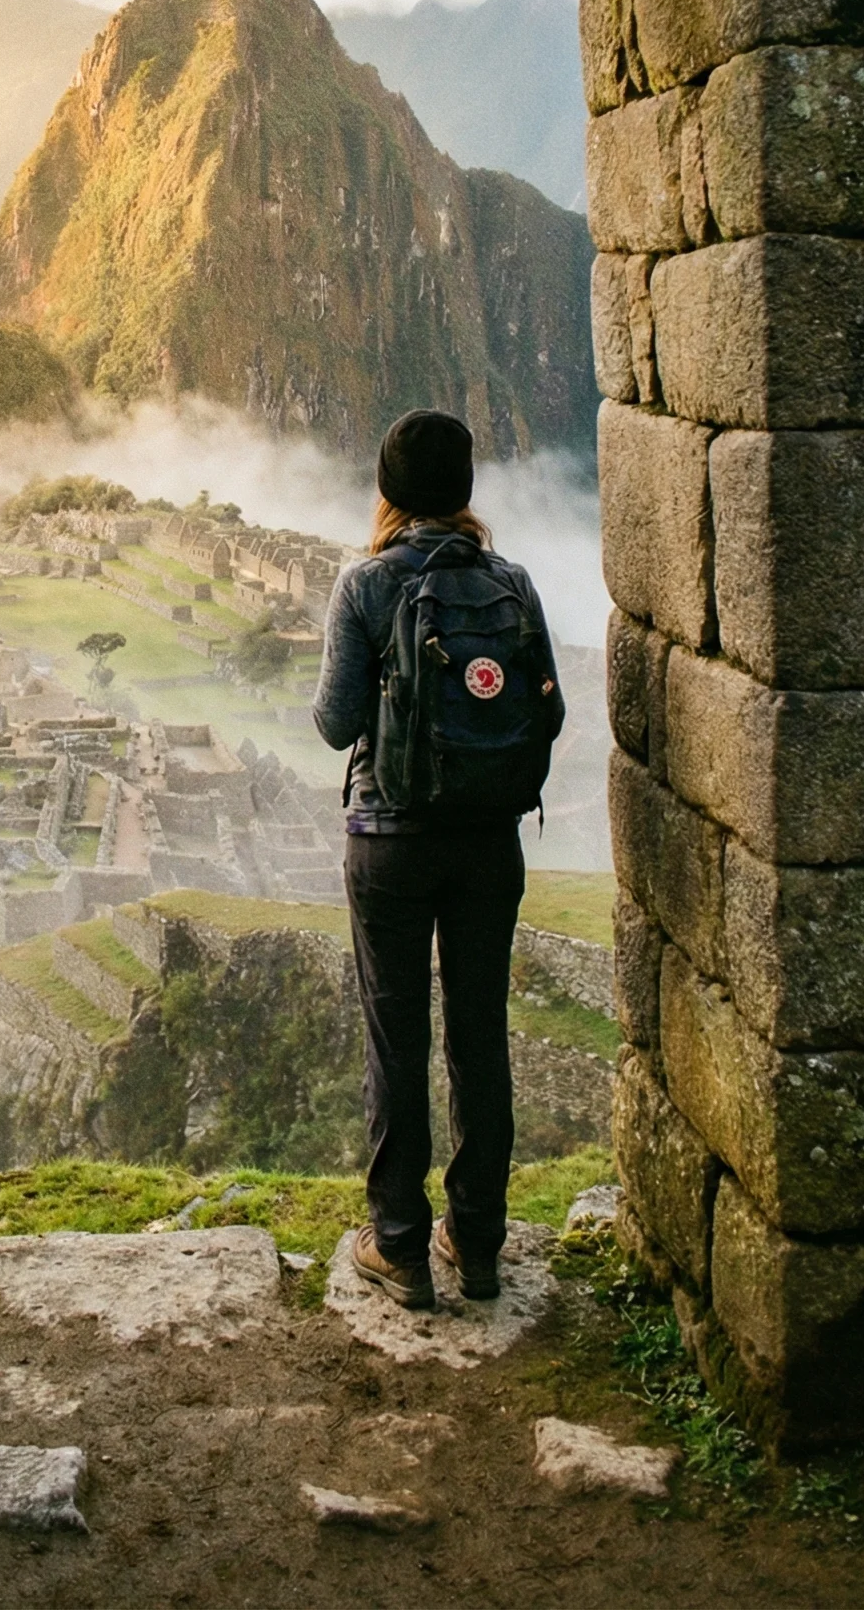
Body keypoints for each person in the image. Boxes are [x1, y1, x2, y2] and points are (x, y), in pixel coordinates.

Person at [313, 407, 564, 1311]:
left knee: (397, 1038)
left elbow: (337, 722)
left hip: (389, 842)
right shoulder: (515, 583)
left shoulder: (365, 585)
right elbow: (550, 711)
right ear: (464, 491)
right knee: (478, 1037)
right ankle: (480, 1241)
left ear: (387, 491)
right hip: (488, 843)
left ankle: (400, 1246)